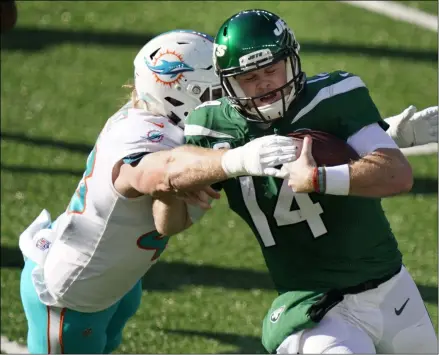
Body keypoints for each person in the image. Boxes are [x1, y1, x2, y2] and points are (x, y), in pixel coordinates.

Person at [18, 29, 299, 354]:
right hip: (73, 290)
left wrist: (171, 191)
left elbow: (169, 223)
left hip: (118, 278)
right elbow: (149, 172)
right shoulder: (141, 134)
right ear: (180, 93)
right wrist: (231, 161)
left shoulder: (171, 130)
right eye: (215, 90)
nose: (226, 98)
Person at [181, 9, 438, 354]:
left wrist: (318, 176)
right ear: (227, 83)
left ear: (292, 61)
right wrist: (231, 162)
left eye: (271, 70)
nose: (264, 86)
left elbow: (396, 175)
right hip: (314, 304)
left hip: (390, 287)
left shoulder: (334, 95)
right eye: (250, 78)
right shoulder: (209, 128)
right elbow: (171, 212)